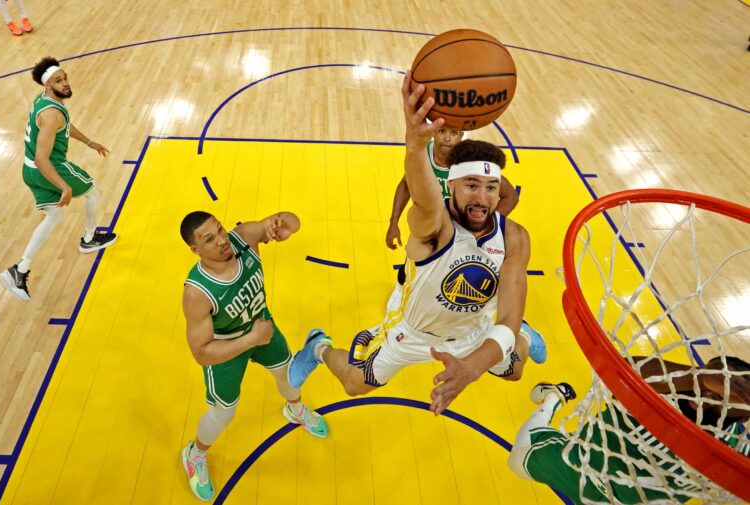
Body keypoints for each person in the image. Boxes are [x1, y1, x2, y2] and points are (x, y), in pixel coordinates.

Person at [287, 73, 546, 415]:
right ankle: (318, 348)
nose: (483, 198)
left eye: (491, 187)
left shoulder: (514, 237)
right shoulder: (433, 226)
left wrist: (472, 366)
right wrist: (413, 145)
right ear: (451, 185)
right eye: (471, 185)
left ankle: (527, 337)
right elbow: (422, 197)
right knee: (353, 385)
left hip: (473, 328)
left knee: (513, 370)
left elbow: (509, 315)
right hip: (414, 332)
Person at [179, 210, 331, 502]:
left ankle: (294, 410)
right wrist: (251, 339)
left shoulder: (244, 237)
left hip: (260, 326)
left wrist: (283, 224)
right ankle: (195, 454)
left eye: (220, 230)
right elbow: (201, 352)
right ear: (195, 250)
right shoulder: (196, 292)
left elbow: (292, 221)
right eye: (210, 240)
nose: (222, 241)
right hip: (226, 347)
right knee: (225, 413)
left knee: (289, 375)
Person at [509, 356, 750, 504]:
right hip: (577, 465)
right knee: (517, 460)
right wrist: (696, 377)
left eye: (727, 397)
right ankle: (554, 397)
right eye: (712, 385)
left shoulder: (737, 446)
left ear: (745, 414)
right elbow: (621, 370)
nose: (708, 397)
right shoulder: (662, 389)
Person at [0, 57, 117, 301]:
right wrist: (64, 187)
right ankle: (89, 239)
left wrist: (89, 142)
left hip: (29, 169)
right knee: (93, 191)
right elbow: (44, 159)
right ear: (47, 85)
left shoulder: (44, 101)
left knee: (55, 216)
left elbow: (64, 126)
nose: (65, 83)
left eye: (65, 78)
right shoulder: (52, 114)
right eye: (58, 81)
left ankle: (19, 270)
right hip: (47, 167)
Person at [385, 124, 519, 251]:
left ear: (460, 136)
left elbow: (510, 196)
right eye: (442, 131)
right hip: (428, 228)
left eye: (453, 133)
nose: (447, 138)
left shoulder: (470, 161)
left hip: (460, 232)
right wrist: (394, 222)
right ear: (434, 132)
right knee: (414, 269)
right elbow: (406, 184)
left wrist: (487, 225)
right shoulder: (422, 154)